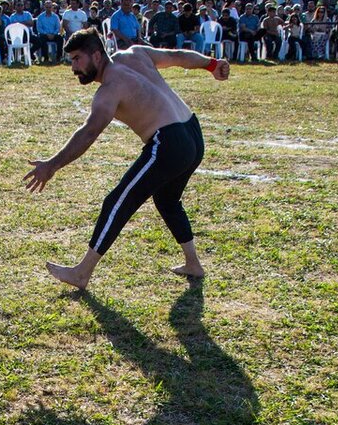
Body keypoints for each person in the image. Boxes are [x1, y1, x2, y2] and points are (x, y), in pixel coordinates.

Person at [24, 28, 229, 289]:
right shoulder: (136, 54)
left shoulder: (109, 89)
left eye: (77, 59)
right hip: (193, 133)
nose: (73, 67)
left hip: (170, 142)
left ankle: (81, 273)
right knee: (167, 200)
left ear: (96, 56)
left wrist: (51, 165)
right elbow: (178, 56)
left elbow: (88, 133)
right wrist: (211, 64)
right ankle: (193, 264)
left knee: (118, 201)